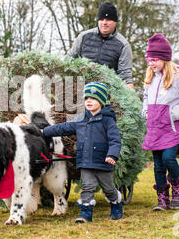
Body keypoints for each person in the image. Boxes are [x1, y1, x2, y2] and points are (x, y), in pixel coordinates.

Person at [42, 82, 123, 222]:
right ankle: (86, 213)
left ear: (102, 101)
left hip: (103, 162)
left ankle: (116, 204)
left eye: (93, 98)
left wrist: (112, 155)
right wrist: (44, 131)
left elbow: (115, 140)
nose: (89, 101)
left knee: (108, 188)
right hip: (85, 161)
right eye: (86, 98)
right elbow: (64, 128)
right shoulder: (81, 120)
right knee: (87, 186)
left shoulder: (108, 121)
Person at [141, 33, 179, 211]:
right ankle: (162, 198)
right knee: (158, 165)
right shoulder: (150, 78)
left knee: (168, 158)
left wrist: (174, 113)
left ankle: (177, 186)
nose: (151, 63)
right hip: (154, 127)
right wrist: (144, 111)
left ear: (165, 59)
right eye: (149, 59)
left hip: (172, 128)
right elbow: (145, 97)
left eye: (155, 59)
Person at [68, 1, 134, 89]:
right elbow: (69, 58)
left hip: (107, 92)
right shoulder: (84, 37)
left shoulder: (123, 45)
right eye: (101, 19)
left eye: (108, 20)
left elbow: (125, 74)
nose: (104, 23)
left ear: (115, 22)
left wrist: (131, 94)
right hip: (81, 89)